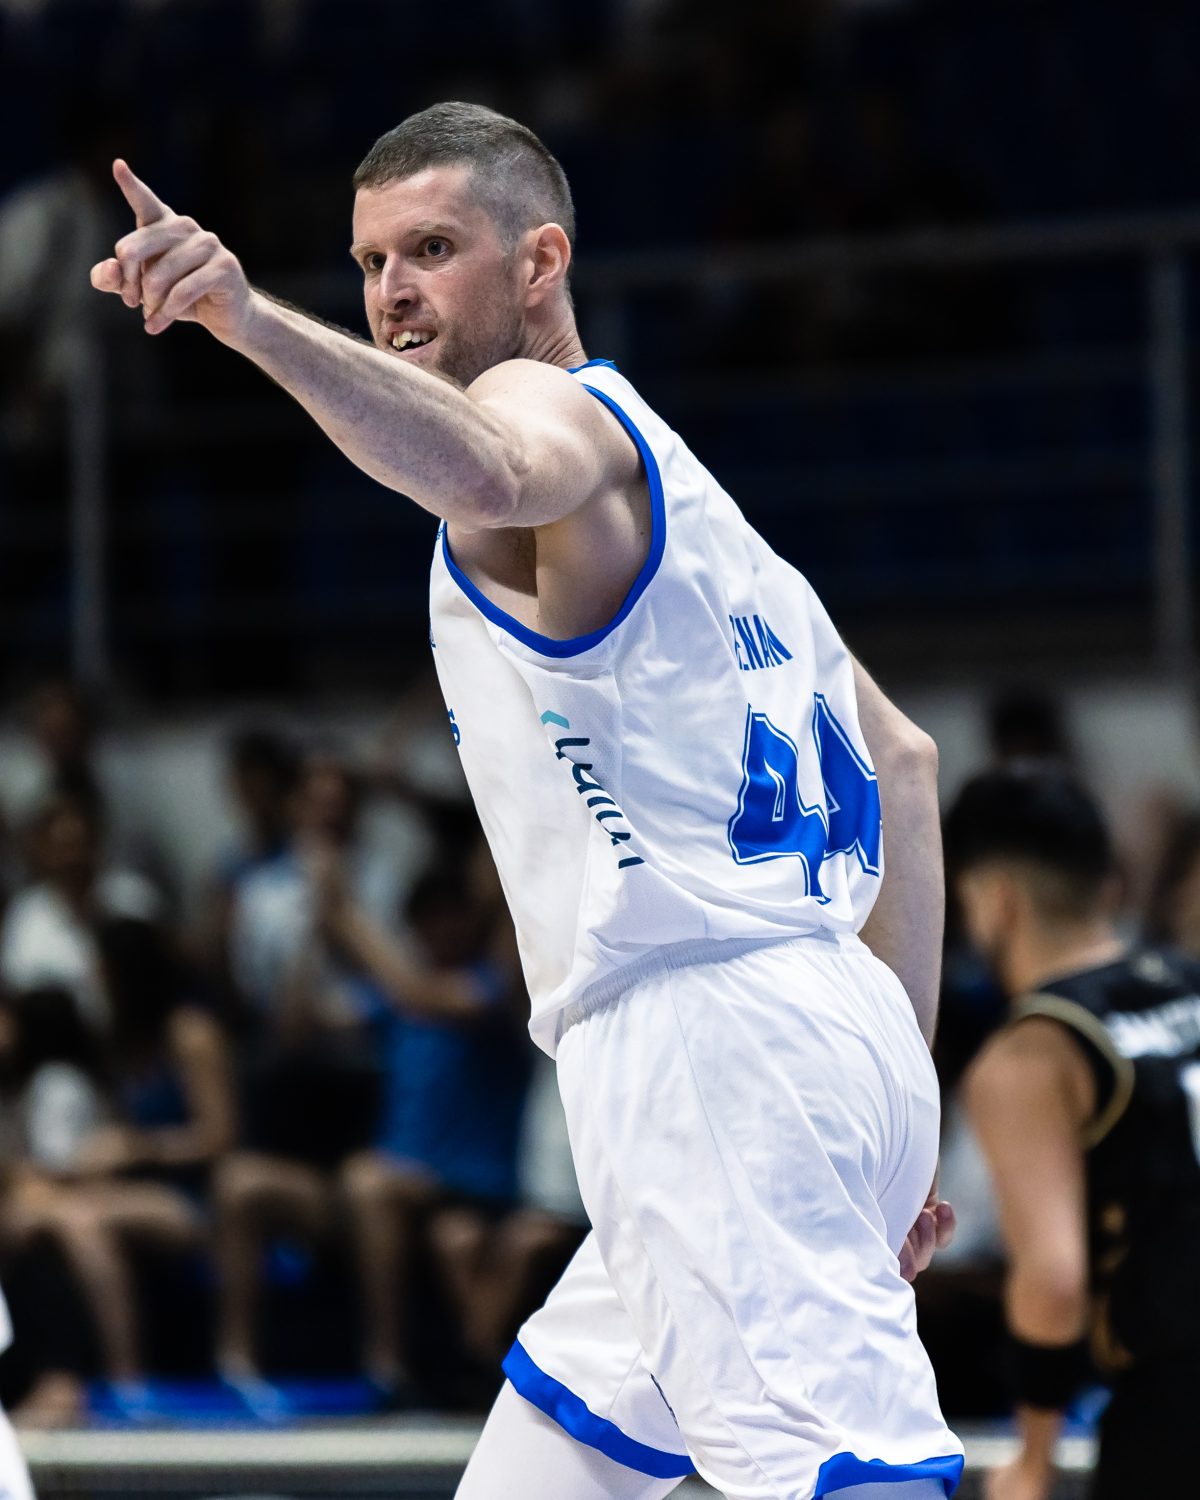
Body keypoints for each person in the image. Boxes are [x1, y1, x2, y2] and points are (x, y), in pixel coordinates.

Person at [90, 102, 959, 1499]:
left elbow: (491, 467)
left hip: (708, 1046)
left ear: (541, 260)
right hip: (822, 1027)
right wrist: (887, 1123)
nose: (391, 291)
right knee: (550, 1471)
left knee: (848, 1471)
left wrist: (246, 321)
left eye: (432, 250)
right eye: (370, 262)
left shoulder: (548, 413)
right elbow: (904, 768)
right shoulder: (717, 518)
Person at [946, 764, 1200, 1500]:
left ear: (995, 900)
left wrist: (1034, 1456)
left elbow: (1054, 1281)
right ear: (1107, 884)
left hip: (1174, 1406)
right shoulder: (1188, 980)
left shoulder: (1031, 1053)